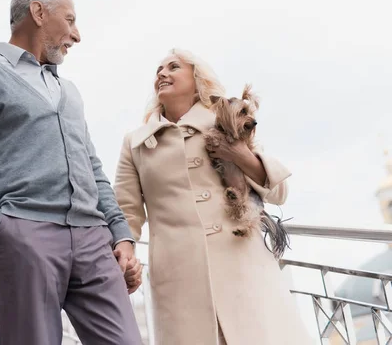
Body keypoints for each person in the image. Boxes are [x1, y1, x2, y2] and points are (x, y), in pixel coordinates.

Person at [0, 0, 143, 345]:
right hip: (24, 235)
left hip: (92, 240)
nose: (77, 35)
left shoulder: (70, 91)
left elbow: (92, 168)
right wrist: (0, 228)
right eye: (70, 20)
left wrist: (121, 235)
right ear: (38, 11)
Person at [114, 48, 312, 345]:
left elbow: (279, 192)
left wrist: (240, 155)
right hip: (179, 278)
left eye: (173, 67)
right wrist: (125, 250)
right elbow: (126, 211)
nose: (161, 73)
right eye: (158, 70)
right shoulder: (136, 143)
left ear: (197, 80)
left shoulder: (227, 122)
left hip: (244, 267)